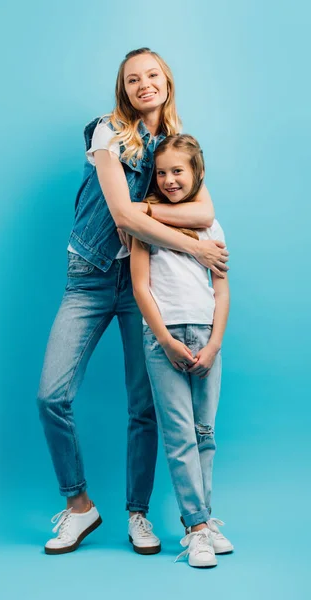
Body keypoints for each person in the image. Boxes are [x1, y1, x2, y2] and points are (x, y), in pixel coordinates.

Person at [37, 48, 229, 556]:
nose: (144, 84)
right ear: (123, 89)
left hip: (144, 284)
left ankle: (137, 514)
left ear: (166, 81)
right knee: (50, 396)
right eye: (133, 79)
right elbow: (122, 214)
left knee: (144, 407)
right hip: (90, 276)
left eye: (153, 75)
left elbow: (204, 205)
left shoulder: (173, 146)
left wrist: (165, 216)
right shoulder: (106, 132)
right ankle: (79, 507)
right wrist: (193, 243)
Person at [130, 133, 234, 568]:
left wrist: (214, 344)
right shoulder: (145, 226)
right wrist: (167, 340)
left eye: (179, 171)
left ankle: (205, 521)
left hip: (206, 339)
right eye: (162, 172)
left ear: (197, 174)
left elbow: (222, 290)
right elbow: (140, 287)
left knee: (204, 435)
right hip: (164, 339)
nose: (170, 179)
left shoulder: (211, 225)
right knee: (179, 437)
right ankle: (194, 529)